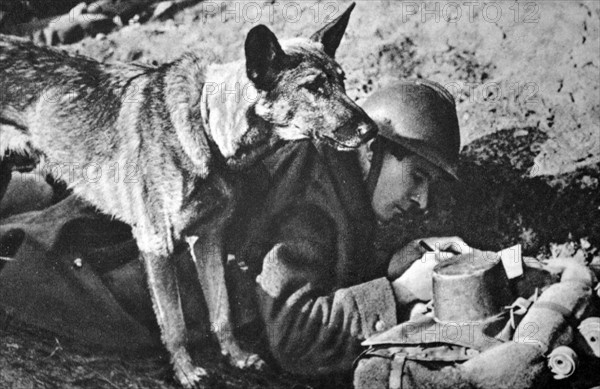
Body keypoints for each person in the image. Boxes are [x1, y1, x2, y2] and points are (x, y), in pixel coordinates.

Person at [234, 79, 471, 376]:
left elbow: (330, 274)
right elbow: (295, 339)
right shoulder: (310, 196)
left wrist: (394, 266)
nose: (422, 201)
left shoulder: (346, 185)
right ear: (372, 150)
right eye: (417, 176)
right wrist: (401, 291)